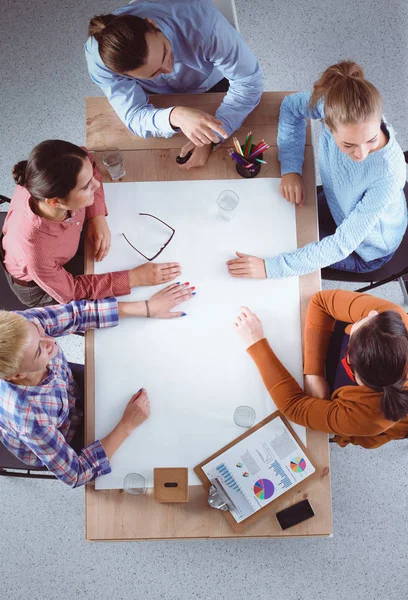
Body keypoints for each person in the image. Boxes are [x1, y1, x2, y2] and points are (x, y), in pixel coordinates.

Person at [0, 281, 194, 486]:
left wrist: (146, 307)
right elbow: (76, 473)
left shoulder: (22, 328)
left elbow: (77, 314)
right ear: (17, 375)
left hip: (68, 387)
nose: (52, 341)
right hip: (63, 436)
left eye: (39, 331)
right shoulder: (31, 421)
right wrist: (126, 425)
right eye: (40, 350)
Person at [227, 61, 407, 280]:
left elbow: (342, 244)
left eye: (371, 139)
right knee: (267, 220)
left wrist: (269, 269)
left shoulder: (389, 174)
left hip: (365, 249)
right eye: (348, 145)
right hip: (337, 204)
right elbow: (291, 107)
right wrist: (291, 169)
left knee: (274, 248)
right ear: (328, 124)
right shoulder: (329, 104)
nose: (361, 154)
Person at [84, 0, 264, 170]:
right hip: (158, 98)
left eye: (165, 52)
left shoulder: (205, 25)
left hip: (212, 81)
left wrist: (212, 136)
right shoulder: (100, 60)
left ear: (152, 24)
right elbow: (133, 115)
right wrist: (174, 116)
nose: (169, 69)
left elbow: (248, 82)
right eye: (153, 73)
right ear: (123, 75)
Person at [1, 140, 181, 307]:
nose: (96, 184)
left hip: (61, 249)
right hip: (40, 286)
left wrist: (97, 215)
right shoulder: (35, 252)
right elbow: (72, 293)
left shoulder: (62, 170)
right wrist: (132, 278)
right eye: (86, 187)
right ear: (55, 202)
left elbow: (89, 161)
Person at [234, 290, 408, 449]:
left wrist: (256, 343)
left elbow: (293, 407)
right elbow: (321, 301)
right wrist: (313, 373)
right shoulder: (388, 323)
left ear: (349, 359)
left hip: (353, 413)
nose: (371, 313)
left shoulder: (370, 417)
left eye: (361, 323)